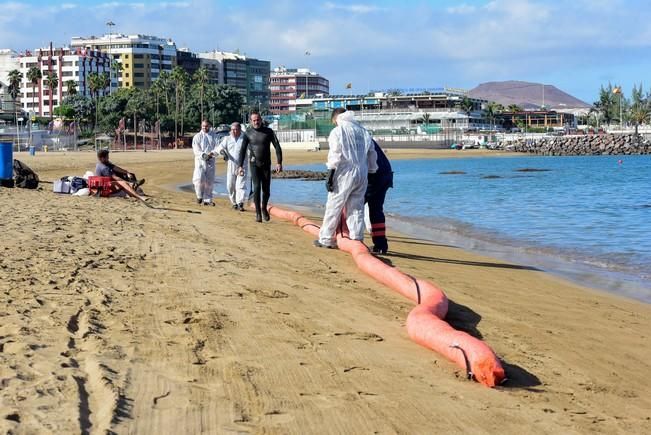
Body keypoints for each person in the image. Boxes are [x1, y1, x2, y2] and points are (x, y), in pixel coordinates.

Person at [314, 109, 377, 249]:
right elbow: (372, 153)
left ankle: (326, 239)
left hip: (344, 172)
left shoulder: (338, 131)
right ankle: (357, 239)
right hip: (362, 172)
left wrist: (330, 174)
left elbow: (335, 154)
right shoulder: (363, 131)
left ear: (336, 118)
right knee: (356, 207)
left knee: (334, 205)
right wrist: (371, 171)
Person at [237, 112, 283, 222]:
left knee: (266, 190)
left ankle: (264, 208)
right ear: (250, 121)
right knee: (257, 188)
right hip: (254, 164)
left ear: (261, 120)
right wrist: (240, 166)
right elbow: (242, 150)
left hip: (266, 164)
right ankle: (258, 213)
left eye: (257, 120)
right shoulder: (248, 133)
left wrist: (279, 162)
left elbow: (277, 146)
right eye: (254, 120)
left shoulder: (268, 132)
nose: (256, 122)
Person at [365, 140, 393, 254]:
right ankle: (381, 245)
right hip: (386, 174)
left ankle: (348, 238)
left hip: (375, 175)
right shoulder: (365, 136)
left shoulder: (354, 136)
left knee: (353, 207)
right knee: (376, 209)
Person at [217, 122, 248, 211]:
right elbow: (220, 147)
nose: (234, 131)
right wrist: (222, 152)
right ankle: (234, 202)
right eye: (232, 130)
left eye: (236, 130)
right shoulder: (227, 139)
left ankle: (240, 203)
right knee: (230, 185)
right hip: (231, 164)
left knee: (240, 185)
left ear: (240, 130)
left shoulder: (244, 139)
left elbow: (250, 151)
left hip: (243, 165)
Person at [192, 119, 219, 206]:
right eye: (203, 126)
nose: (204, 127)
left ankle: (208, 199)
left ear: (210, 126)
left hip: (211, 161)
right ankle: (199, 196)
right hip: (200, 161)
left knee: (209, 181)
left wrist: (212, 154)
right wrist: (203, 155)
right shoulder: (197, 137)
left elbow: (218, 148)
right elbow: (196, 150)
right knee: (198, 179)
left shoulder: (215, 136)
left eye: (206, 126)